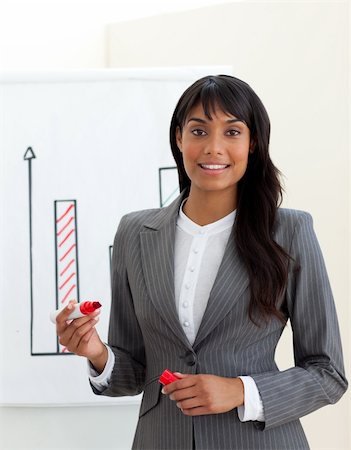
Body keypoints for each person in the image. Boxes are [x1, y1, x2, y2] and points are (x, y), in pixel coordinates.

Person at [56, 74, 348, 450]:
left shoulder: (289, 232)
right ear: (179, 138)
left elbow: (328, 373)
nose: (213, 147)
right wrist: (95, 351)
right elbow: (134, 373)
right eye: (198, 131)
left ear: (253, 142)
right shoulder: (134, 233)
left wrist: (241, 391)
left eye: (231, 132)